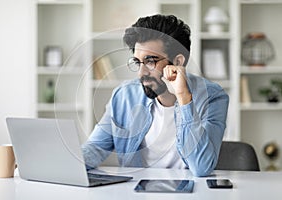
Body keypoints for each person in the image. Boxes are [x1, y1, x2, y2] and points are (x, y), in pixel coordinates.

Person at [82, 14, 229, 177]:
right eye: (138, 62)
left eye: (150, 61)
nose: (141, 73)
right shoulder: (124, 96)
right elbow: (95, 148)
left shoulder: (213, 97)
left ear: (178, 62)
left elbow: (201, 167)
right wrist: (65, 162)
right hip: (134, 192)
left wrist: (183, 97)